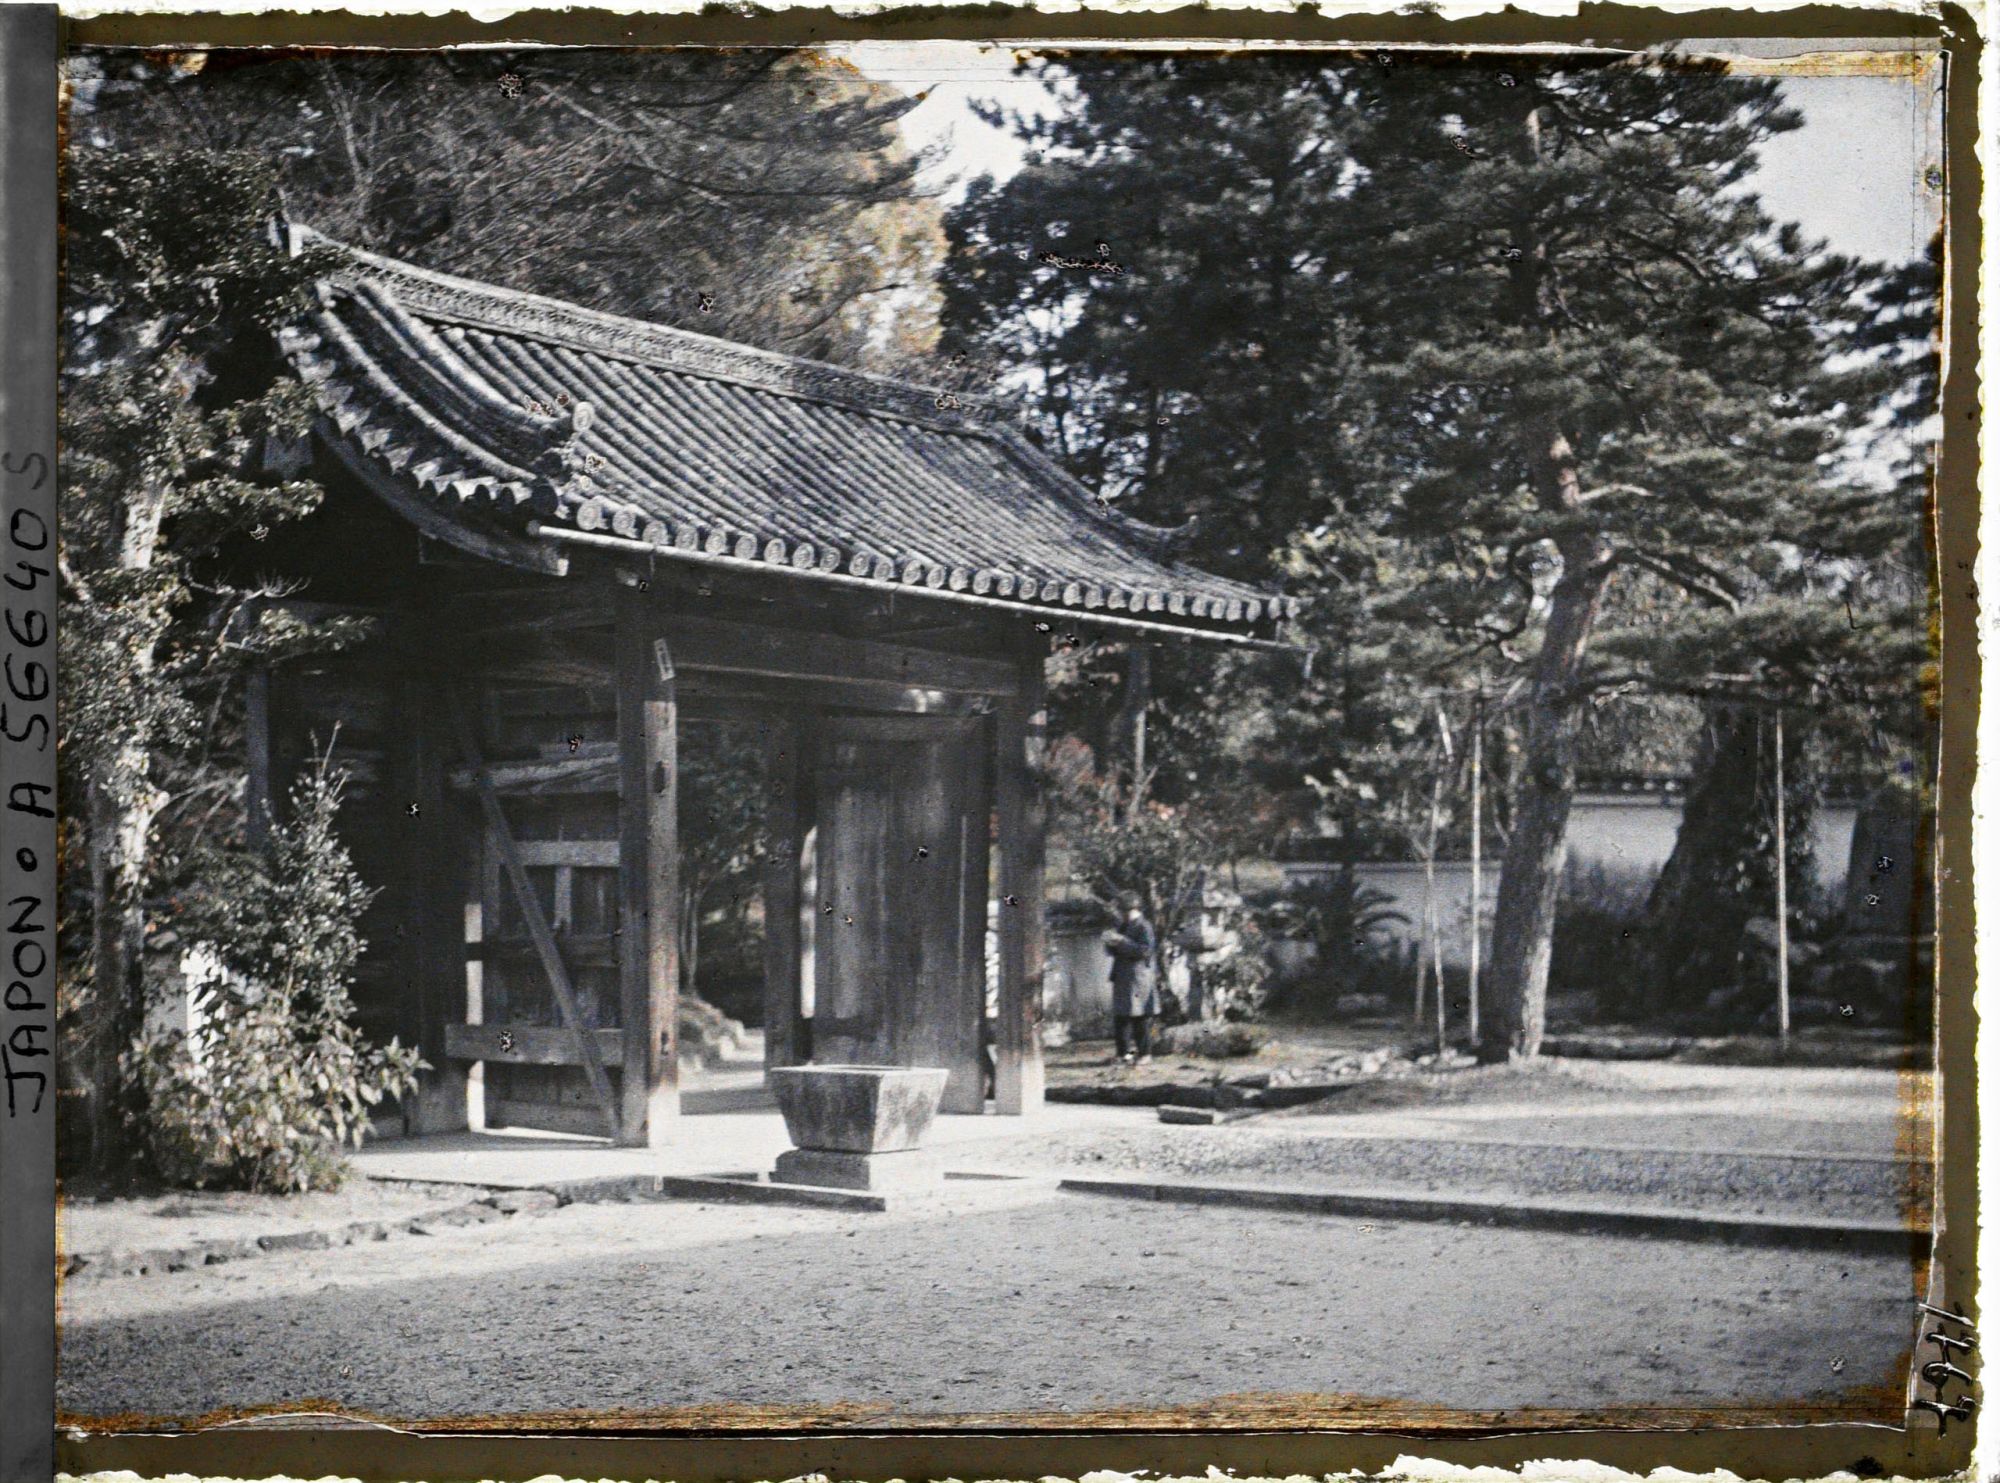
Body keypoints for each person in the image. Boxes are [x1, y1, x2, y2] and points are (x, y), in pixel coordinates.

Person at [1104, 890, 1159, 1064]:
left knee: (1140, 1017)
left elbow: (1144, 950)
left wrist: (1121, 941)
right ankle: (1123, 1054)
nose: (1121, 914)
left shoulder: (1144, 926)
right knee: (1121, 1017)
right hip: (1122, 975)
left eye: (1123, 910)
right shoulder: (1123, 925)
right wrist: (1110, 942)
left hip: (1138, 977)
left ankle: (1145, 1054)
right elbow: (1115, 950)